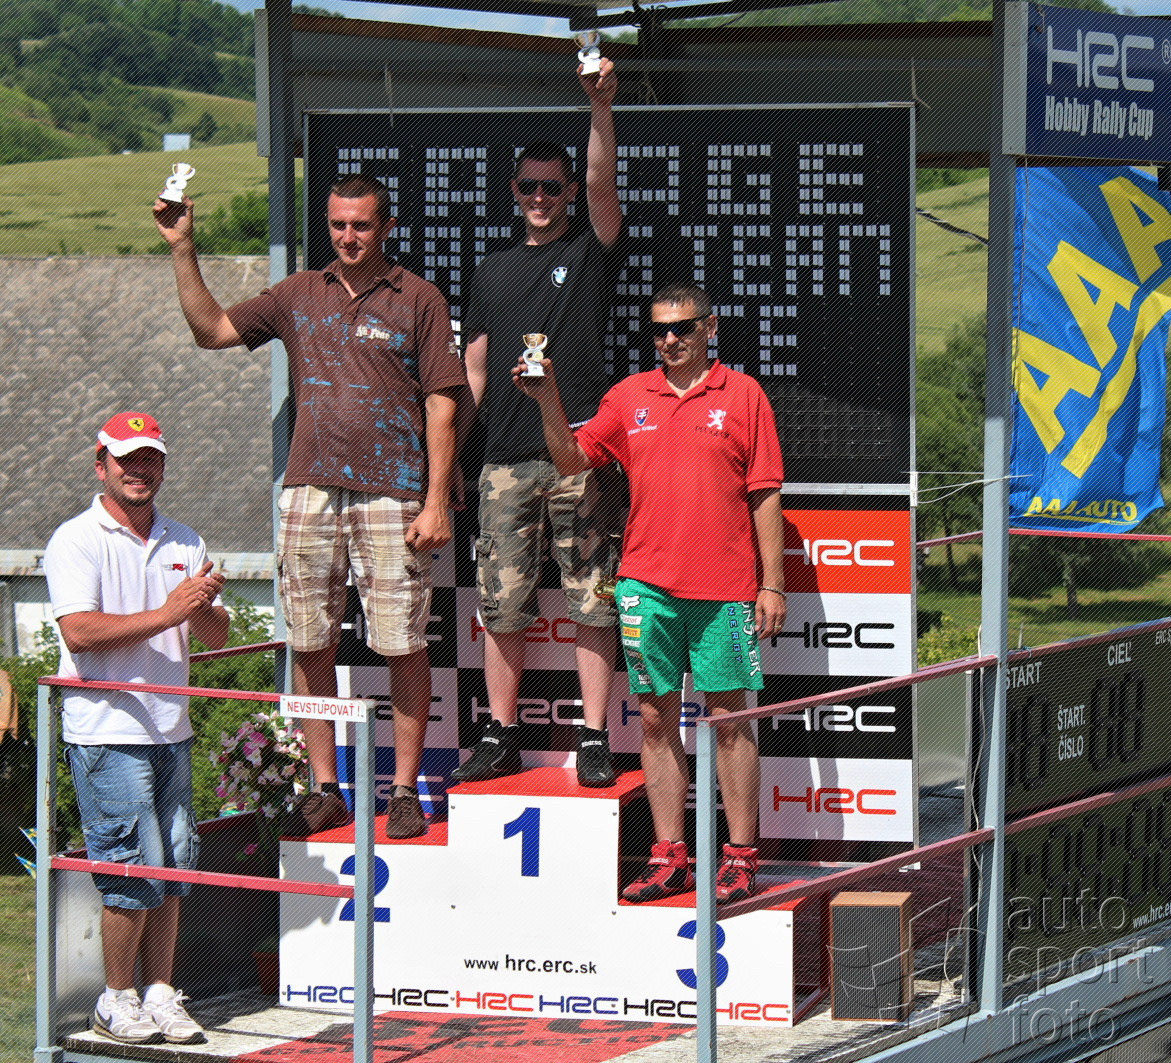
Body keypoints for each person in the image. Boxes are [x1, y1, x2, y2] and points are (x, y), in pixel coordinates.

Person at [153, 174, 467, 840]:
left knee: (403, 643)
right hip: (309, 487)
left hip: (394, 489)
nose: (348, 237)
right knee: (309, 638)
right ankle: (325, 788)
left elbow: (443, 403)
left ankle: (403, 790)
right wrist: (182, 247)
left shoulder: (419, 297)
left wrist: (436, 497)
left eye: (361, 224)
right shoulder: (298, 292)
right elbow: (211, 330)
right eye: (337, 225)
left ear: (386, 226)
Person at [513, 284, 786, 904]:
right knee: (657, 719)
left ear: (710, 328)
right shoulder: (629, 395)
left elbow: (765, 492)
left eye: (683, 327)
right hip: (644, 584)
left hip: (724, 587)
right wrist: (548, 398)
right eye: (660, 330)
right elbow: (572, 460)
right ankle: (670, 856)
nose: (670, 339)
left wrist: (772, 582)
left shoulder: (744, 394)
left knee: (729, 721)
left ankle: (740, 856)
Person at [456, 57, 625, 788]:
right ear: (513, 191)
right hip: (501, 460)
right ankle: (500, 732)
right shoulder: (490, 269)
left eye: (552, 187)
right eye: (528, 186)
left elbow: (602, 185)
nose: (540, 198)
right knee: (501, 606)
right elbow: (473, 369)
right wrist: (447, 467)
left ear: (568, 193)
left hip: (577, 454)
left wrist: (600, 107)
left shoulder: (588, 250)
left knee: (593, 600)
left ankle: (593, 735)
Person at [45, 412, 230, 1044]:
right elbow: (79, 633)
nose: (138, 470)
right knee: (129, 870)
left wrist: (200, 606)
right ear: (101, 465)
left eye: (149, 458)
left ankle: (158, 992)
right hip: (107, 728)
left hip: (170, 727)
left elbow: (216, 634)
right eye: (126, 459)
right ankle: (114, 999)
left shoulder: (185, 540)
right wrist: (170, 611)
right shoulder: (76, 539)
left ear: (162, 466)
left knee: (174, 864)